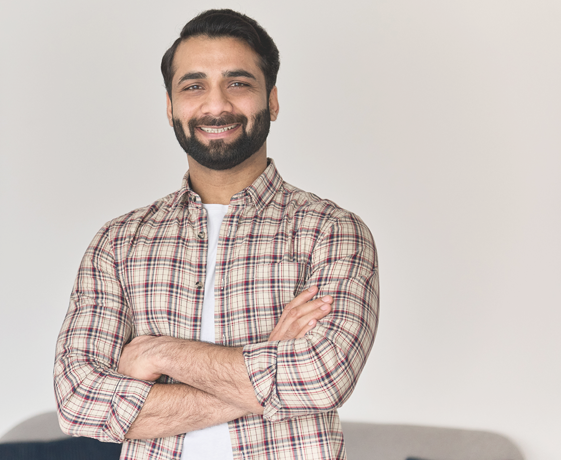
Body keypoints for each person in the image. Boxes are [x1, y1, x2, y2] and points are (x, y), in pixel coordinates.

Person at [54, 9, 379, 460]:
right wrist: (269, 359)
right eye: (194, 86)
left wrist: (158, 353)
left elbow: (322, 377)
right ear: (170, 107)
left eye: (238, 83)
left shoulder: (332, 231)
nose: (216, 105)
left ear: (273, 100)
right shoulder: (118, 243)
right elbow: (78, 402)